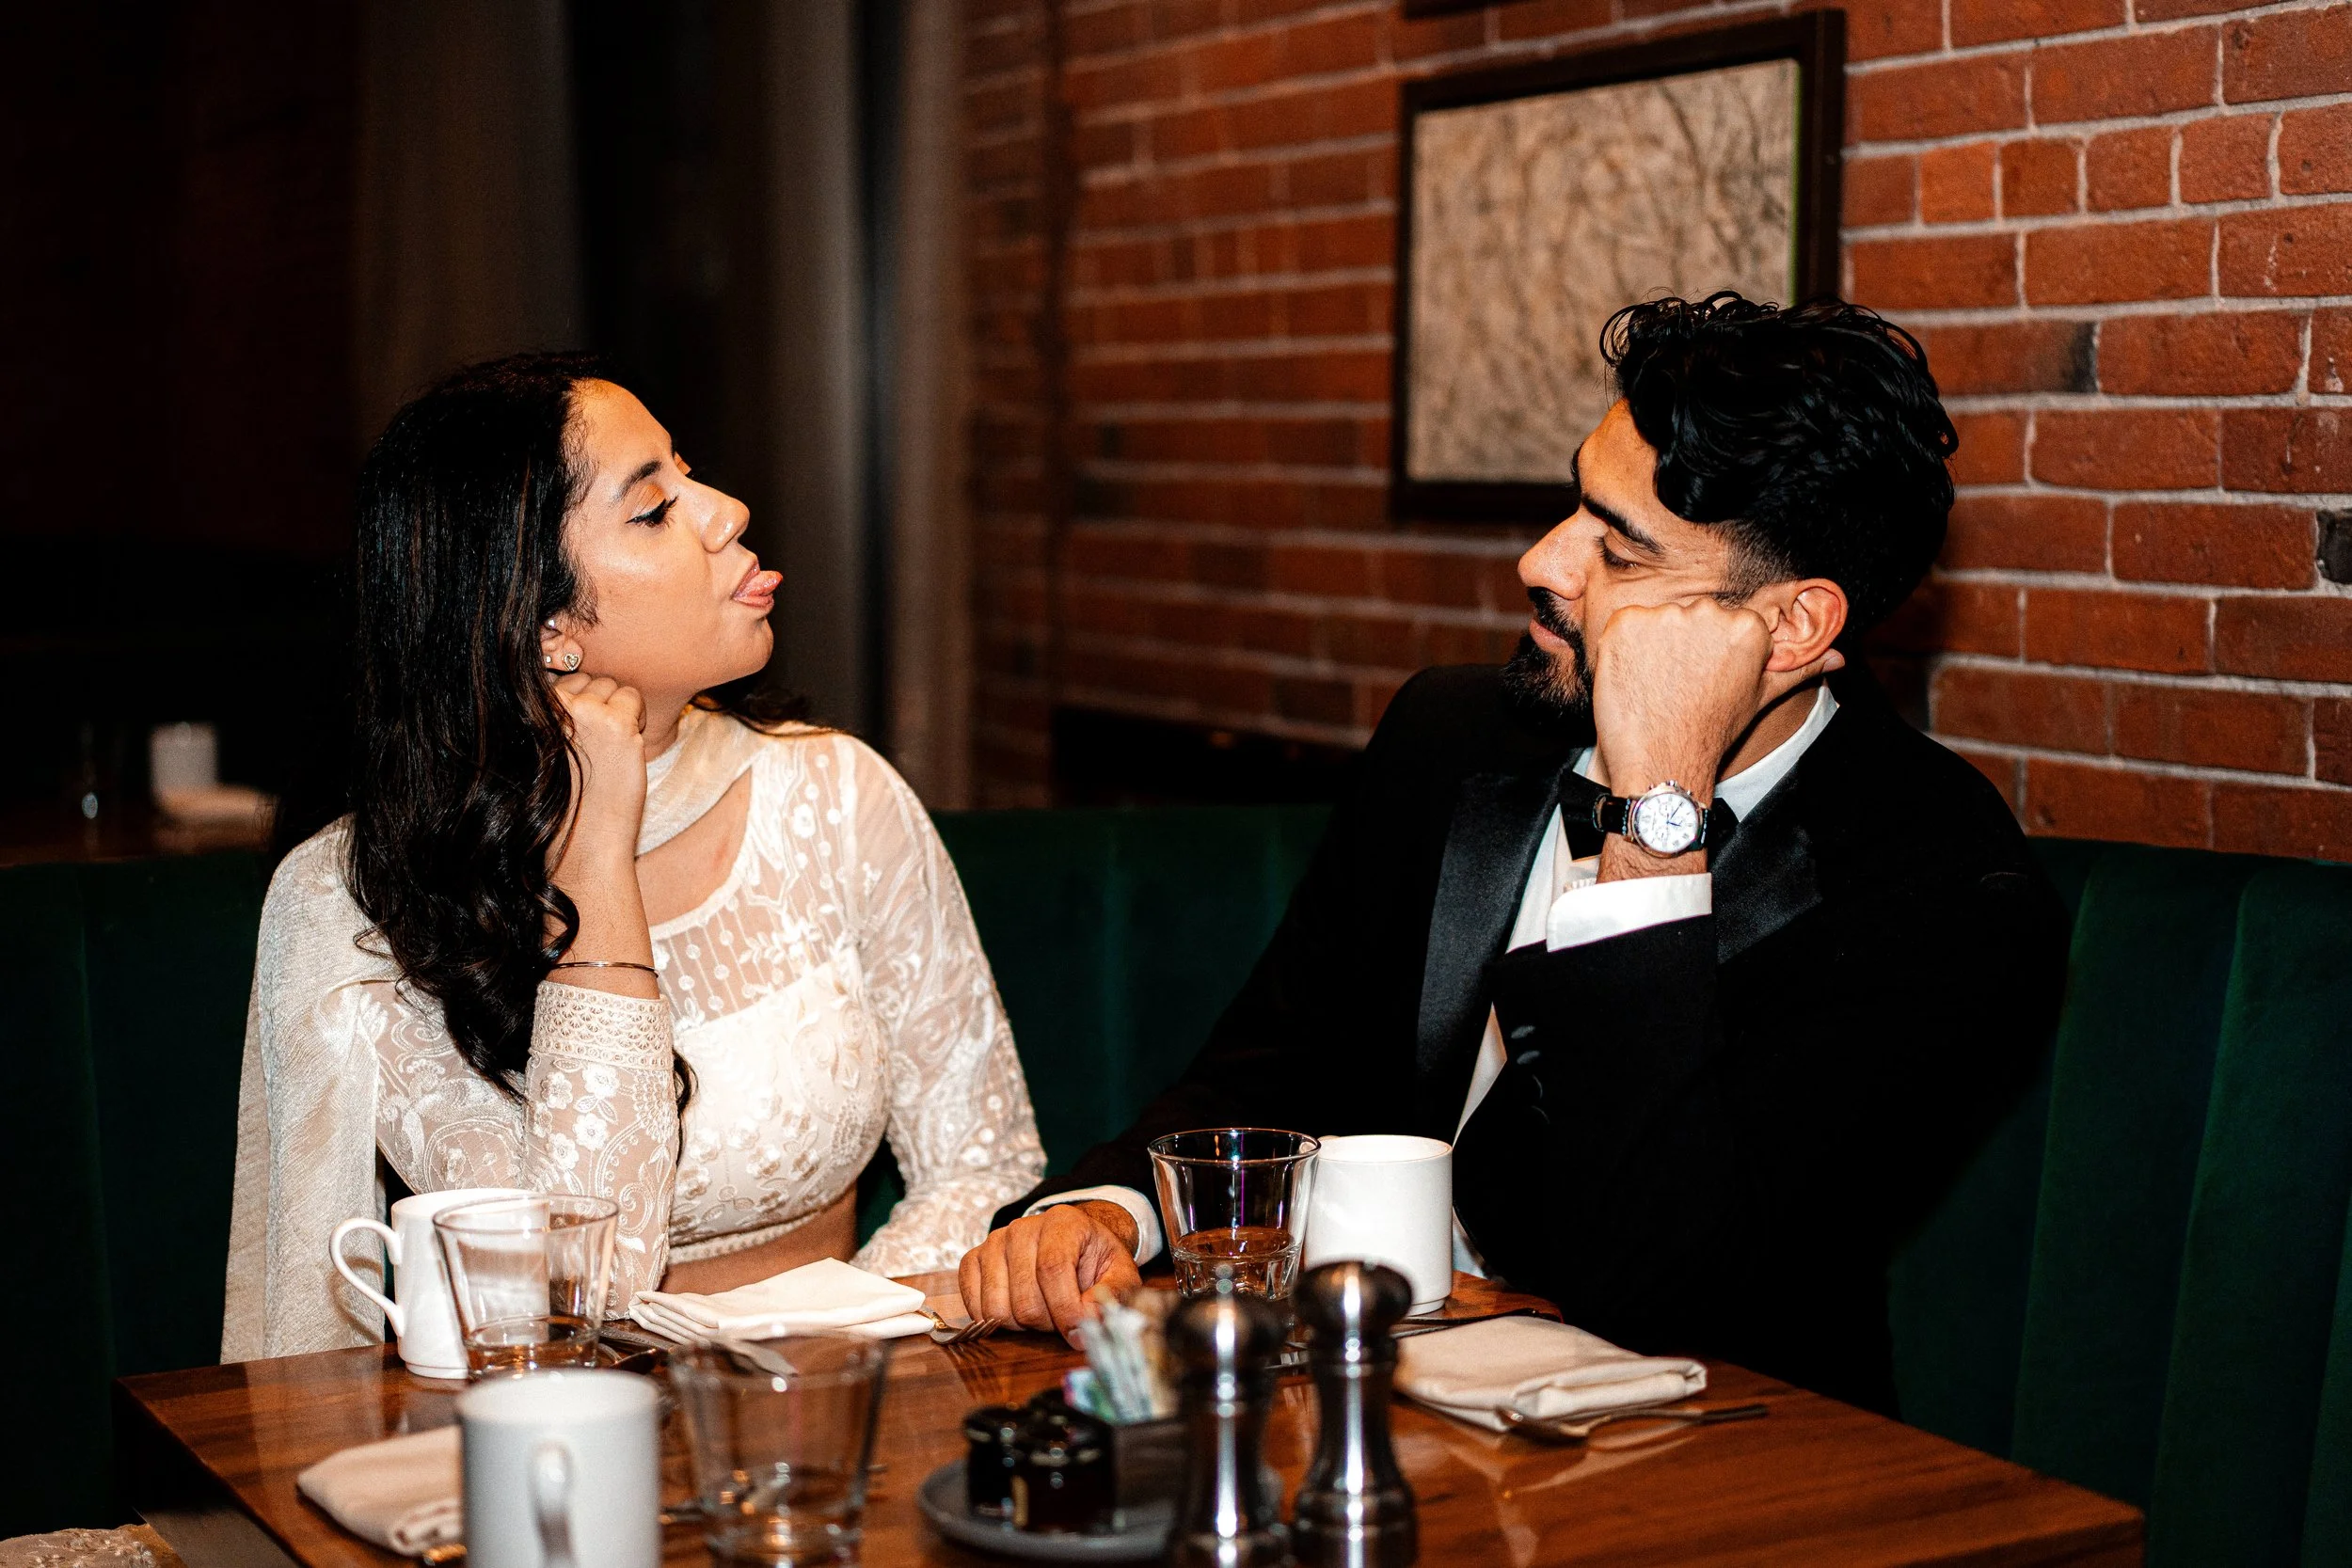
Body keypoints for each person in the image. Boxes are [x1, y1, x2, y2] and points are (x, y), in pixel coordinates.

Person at [960, 293, 2070, 1413]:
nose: (1541, 562)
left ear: (1790, 628)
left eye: (1618, 551)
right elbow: (1276, 1062)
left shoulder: (1942, 886)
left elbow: (1662, 1286)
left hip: (1711, 1453)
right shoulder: (1453, 735)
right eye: (1572, 505)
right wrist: (1108, 1208)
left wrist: (1653, 818)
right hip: (1359, 1396)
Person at [223, 353, 1043, 1360]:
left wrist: (822, 1357)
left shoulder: (835, 791)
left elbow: (979, 1160)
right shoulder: (357, 897)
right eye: (654, 510)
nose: (729, 511)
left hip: (842, 1405)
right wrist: (597, 871)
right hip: (542, 1435)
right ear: (547, 621)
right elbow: (578, 1286)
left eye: (688, 474)